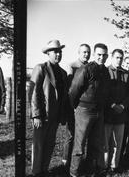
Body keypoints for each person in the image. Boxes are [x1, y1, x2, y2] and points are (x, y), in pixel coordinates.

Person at [68, 43, 110, 177]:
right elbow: (74, 90)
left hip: (99, 111)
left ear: (107, 56)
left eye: (104, 55)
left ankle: (89, 171)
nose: (101, 57)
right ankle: (74, 173)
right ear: (94, 55)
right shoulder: (85, 69)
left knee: (95, 144)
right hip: (84, 111)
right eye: (99, 54)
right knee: (79, 146)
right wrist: (76, 107)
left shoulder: (105, 71)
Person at [31, 40, 69, 176]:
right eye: (55, 51)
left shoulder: (63, 73)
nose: (58, 54)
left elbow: (64, 96)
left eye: (60, 51)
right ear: (48, 53)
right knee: (39, 145)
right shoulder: (41, 68)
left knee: (49, 144)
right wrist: (36, 115)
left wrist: (62, 115)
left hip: (55, 115)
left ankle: (44, 169)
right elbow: (34, 92)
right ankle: (36, 171)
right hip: (43, 115)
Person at [63, 43, 91, 169]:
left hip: (85, 108)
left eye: (88, 52)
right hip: (72, 105)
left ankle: (79, 161)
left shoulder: (91, 67)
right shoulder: (72, 66)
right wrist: (72, 106)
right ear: (79, 53)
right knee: (71, 134)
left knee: (82, 135)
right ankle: (66, 160)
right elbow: (70, 89)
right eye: (84, 52)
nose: (86, 54)